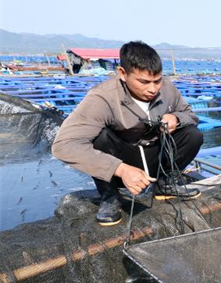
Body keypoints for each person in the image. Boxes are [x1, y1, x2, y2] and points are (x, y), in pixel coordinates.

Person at [52, 41, 202, 226]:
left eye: (157, 80)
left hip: (156, 157)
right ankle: (110, 196)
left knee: (193, 134)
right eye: (144, 82)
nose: (153, 89)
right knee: (101, 137)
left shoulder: (167, 88)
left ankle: (165, 184)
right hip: (121, 163)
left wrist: (176, 119)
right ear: (123, 73)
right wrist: (120, 169)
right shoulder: (102, 97)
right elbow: (63, 145)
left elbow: (190, 115)